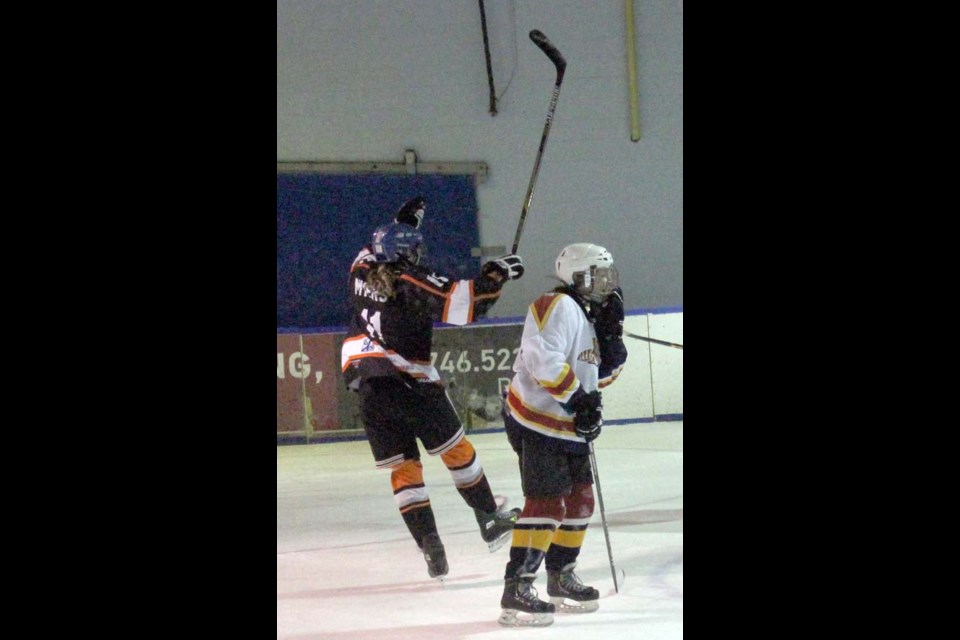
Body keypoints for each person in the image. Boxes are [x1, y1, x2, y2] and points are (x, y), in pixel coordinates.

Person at [340, 195, 527, 581]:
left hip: (367, 384)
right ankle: (489, 516)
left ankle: (430, 545)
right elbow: (467, 304)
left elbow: (382, 247)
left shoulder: (360, 266)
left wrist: (405, 221)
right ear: (404, 258)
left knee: (403, 469)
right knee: (457, 450)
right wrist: (498, 273)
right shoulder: (411, 284)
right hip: (408, 381)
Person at [496, 243, 628, 627]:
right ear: (576, 276)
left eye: (608, 275)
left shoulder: (590, 316)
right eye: (597, 275)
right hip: (536, 419)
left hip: (567, 425)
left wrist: (612, 341)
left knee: (581, 501)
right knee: (548, 504)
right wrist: (578, 400)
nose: (605, 283)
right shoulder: (555, 305)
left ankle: (561, 575)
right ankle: (516, 588)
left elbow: (598, 376)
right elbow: (541, 358)